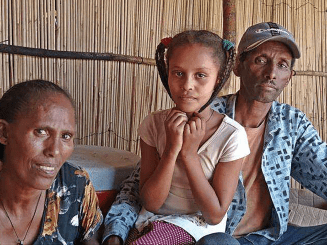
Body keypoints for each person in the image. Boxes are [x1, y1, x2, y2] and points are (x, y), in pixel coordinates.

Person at [103, 22, 327, 245]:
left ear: (290, 76)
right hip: (220, 237)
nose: (271, 73)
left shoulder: (292, 123)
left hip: (271, 236)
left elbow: (322, 168)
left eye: (283, 65)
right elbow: (137, 187)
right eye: (261, 60)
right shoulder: (198, 114)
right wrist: (116, 232)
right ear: (237, 66)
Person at [127, 30, 250, 245]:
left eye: (200, 75)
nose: (187, 85)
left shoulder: (231, 135)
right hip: (153, 223)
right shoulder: (153, 124)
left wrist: (189, 154)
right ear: (167, 74)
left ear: (218, 78)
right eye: (178, 73)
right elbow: (152, 203)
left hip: (200, 228)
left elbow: (214, 215)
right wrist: (172, 149)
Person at [0, 80, 103, 244]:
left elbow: (90, 238)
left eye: (66, 136)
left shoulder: (74, 185)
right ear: (4, 133)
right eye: (41, 131)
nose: (55, 150)